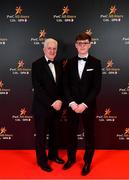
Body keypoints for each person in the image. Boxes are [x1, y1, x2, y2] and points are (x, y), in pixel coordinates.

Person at [63, 32, 102, 175]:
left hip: (88, 106)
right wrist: (72, 103)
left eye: (85, 43)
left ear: (90, 44)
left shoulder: (96, 63)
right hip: (72, 107)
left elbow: (96, 87)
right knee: (71, 134)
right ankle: (71, 159)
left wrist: (84, 104)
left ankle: (87, 162)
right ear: (75, 45)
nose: (82, 46)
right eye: (79, 43)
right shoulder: (70, 62)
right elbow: (65, 85)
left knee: (89, 135)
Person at [31, 38, 64, 172]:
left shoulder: (59, 65)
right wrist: (52, 102)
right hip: (42, 108)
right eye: (49, 48)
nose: (52, 51)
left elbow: (62, 86)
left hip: (57, 108)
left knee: (55, 134)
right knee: (41, 136)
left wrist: (60, 100)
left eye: (54, 48)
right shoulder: (36, 64)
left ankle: (53, 155)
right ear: (44, 49)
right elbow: (38, 89)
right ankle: (42, 161)